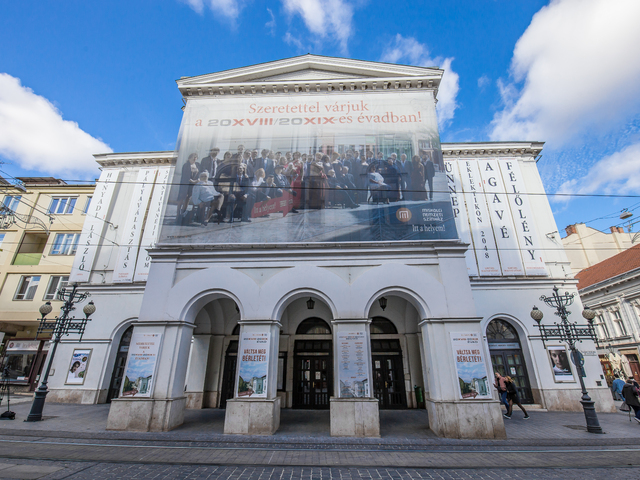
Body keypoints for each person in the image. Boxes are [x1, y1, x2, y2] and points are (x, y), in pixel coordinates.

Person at [177, 153, 200, 222]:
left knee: (188, 198)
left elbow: (199, 173)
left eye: (195, 158)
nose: (194, 159)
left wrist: (197, 180)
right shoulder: (186, 165)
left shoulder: (197, 165)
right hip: (185, 184)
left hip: (193, 185)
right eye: (193, 157)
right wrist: (191, 181)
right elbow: (185, 176)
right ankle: (178, 213)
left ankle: (183, 212)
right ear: (189, 158)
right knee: (182, 198)